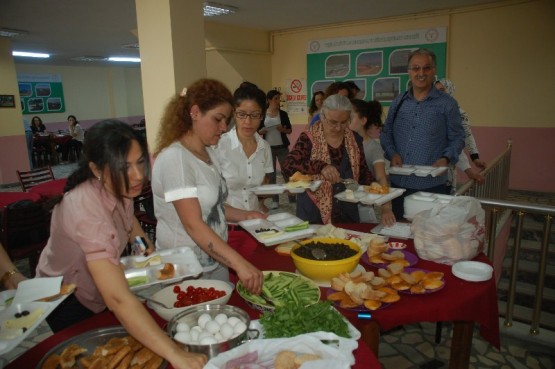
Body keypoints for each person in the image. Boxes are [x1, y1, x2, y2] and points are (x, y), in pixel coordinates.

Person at [35, 121, 206, 369]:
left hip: (96, 284)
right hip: (65, 297)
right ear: (96, 169)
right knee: (91, 359)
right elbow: (117, 298)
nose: (139, 175)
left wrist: (146, 250)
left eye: (140, 162)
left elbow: (129, 222)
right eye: (124, 167)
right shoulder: (84, 208)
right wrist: (175, 354)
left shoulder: (118, 186)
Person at [151, 79, 264, 295]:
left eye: (226, 121)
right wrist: (238, 262)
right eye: (218, 119)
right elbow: (193, 223)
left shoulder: (209, 152)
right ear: (194, 112)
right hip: (183, 268)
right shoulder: (176, 159)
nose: (223, 128)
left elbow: (214, 207)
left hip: (213, 260)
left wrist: (247, 215)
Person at [380, 48, 465, 220]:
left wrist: (446, 158)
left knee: (427, 236)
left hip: (430, 186)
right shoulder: (399, 102)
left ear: (434, 71)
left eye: (426, 68)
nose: (421, 73)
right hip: (398, 184)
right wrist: (392, 152)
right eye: (416, 68)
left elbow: (458, 137)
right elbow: (386, 132)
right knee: (398, 232)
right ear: (409, 72)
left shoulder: (447, 104)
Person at [282, 94, 375, 224]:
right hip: (314, 211)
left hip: (347, 211)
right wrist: (320, 166)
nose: (338, 128)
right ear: (322, 116)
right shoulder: (308, 138)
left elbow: (363, 171)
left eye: (344, 122)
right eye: (333, 122)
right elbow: (288, 165)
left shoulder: (354, 139)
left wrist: (377, 189)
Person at [215, 84, 273, 212]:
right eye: (242, 114)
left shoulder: (264, 147)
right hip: (227, 224)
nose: (248, 121)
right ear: (234, 114)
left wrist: (263, 198)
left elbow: (261, 188)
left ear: (262, 116)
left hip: (255, 221)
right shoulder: (219, 145)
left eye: (254, 115)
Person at [435, 78, 487, 193]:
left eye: (442, 90)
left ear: (450, 91)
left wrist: (474, 158)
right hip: (427, 168)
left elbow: (463, 139)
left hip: (445, 168)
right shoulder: (432, 112)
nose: (438, 93)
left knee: (443, 201)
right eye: (435, 90)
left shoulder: (459, 114)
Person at [349, 99, 395, 226]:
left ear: (363, 120)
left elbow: (381, 177)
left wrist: (386, 207)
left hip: (363, 206)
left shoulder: (372, 147)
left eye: (350, 118)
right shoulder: (342, 145)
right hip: (343, 204)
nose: (345, 123)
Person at [258, 89, 293, 208]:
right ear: (269, 100)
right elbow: (257, 131)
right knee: (271, 175)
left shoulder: (283, 114)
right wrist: (261, 131)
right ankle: (275, 201)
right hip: (268, 149)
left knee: (287, 173)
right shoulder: (262, 114)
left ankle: (292, 199)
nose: (278, 101)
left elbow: (289, 130)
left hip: (282, 147)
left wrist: (283, 130)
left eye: (279, 99)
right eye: (275, 99)